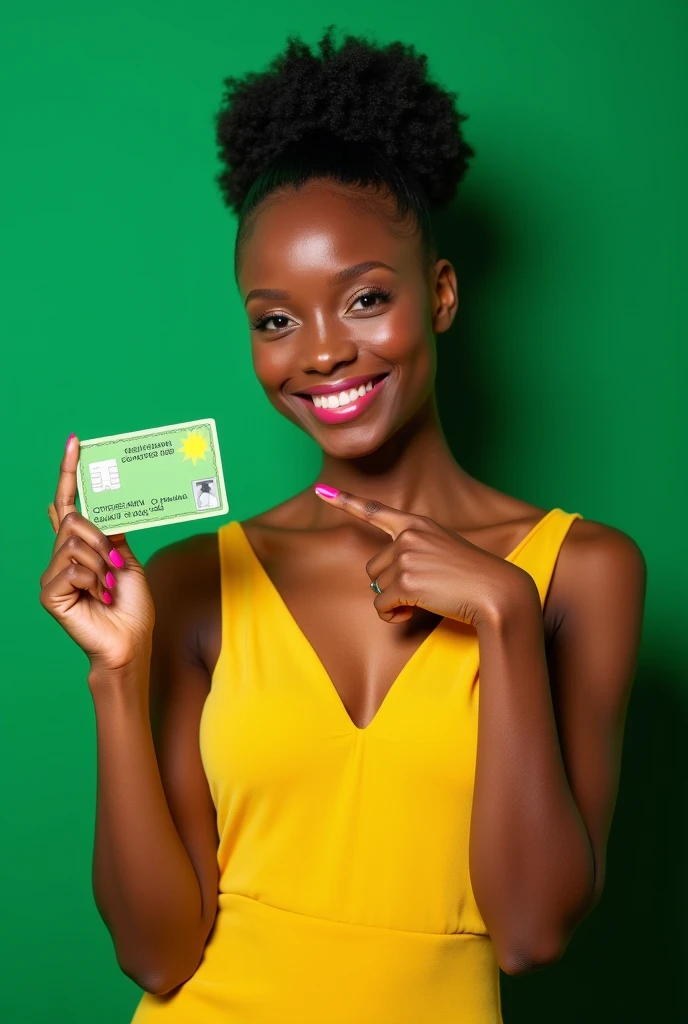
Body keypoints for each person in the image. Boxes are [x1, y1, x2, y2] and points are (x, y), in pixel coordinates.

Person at [39, 28, 646, 1024]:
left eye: (364, 299)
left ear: (440, 295)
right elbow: (156, 953)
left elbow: (533, 931)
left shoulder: (580, 572)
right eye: (274, 318)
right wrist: (117, 672)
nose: (321, 352)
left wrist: (502, 613)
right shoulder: (197, 580)